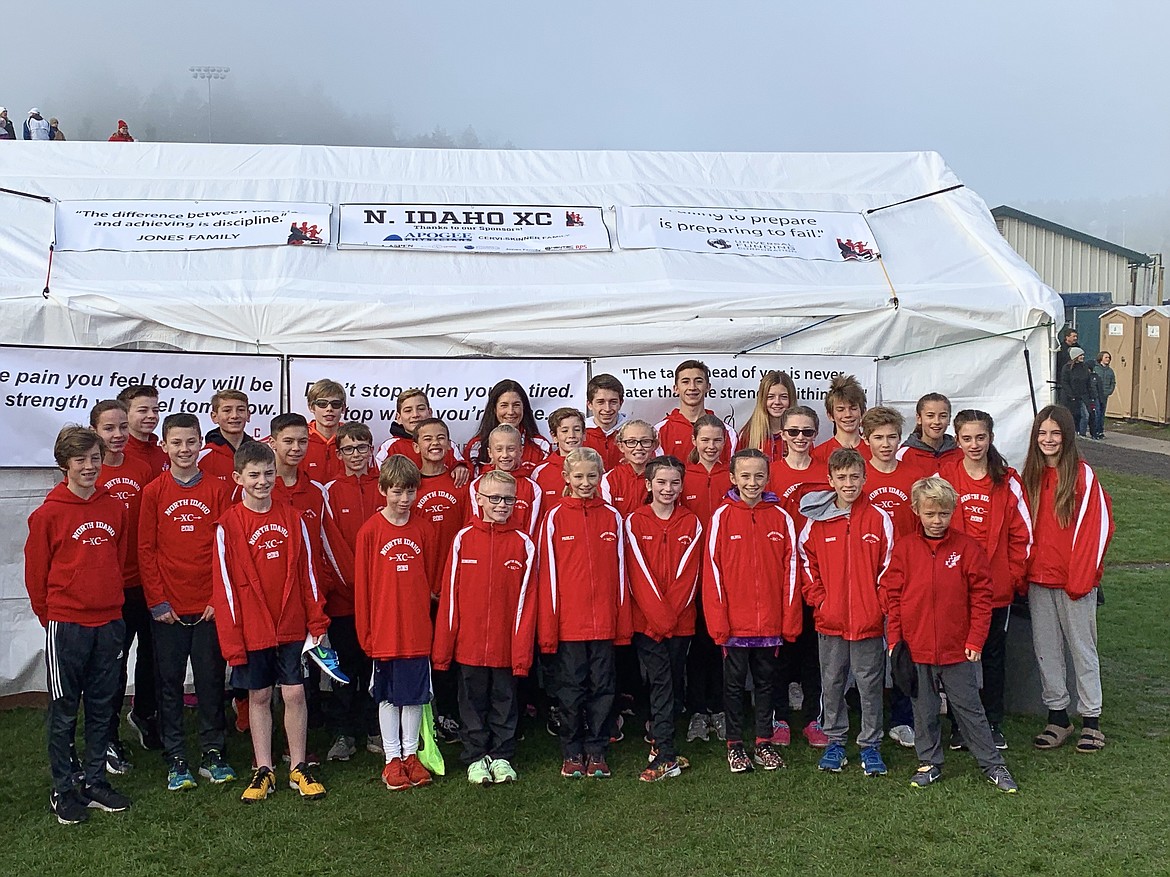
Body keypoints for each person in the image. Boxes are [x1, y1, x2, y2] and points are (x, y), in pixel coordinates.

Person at [881, 477, 1019, 793]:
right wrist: (895, 641)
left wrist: (975, 640)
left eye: (943, 513)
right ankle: (929, 762)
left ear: (952, 511)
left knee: (970, 708)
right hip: (916, 650)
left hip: (958, 650)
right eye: (930, 513)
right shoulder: (905, 549)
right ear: (916, 510)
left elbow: (982, 597)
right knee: (924, 709)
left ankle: (993, 764)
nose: (936, 520)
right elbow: (894, 597)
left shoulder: (967, 548)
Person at [211, 441, 329, 803]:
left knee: (295, 692)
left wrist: (317, 623)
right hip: (252, 629)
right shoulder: (228, 524)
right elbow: (225, 588)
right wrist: (232, 643)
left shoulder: (292, 517)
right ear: (238, 478)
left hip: (291, 624)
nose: (262, 481)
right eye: (254, 475)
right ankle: (263, 768)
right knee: (259, 695)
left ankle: (298, 766)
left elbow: (308, 572)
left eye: (267, 474)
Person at [25, 426, 132, 825]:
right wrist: (54, 616)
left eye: (95, 458)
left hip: (109, 620)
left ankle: (95, 782)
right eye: (81, 460)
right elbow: (36, 575)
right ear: (64, 464)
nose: (89, 466)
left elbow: (118, 558)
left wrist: (109, 601)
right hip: (67, 624)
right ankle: (63, 788)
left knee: (104, 706)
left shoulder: (114, 507)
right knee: (65, 708)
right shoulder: (48, 514)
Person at [138, 413, 236, 791]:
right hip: (169, 609)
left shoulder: (218, 489)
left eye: (191, 442)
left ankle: (214, 751)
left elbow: (225, 549)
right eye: (176, 443)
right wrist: (157, 601)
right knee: (169, 681)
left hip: (208, 605)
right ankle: (176, 756)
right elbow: (146, 549)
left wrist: (217, 597)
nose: (184, 449)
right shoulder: (153, 492)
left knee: (211, 680)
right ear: (165, 446)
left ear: (201, 444)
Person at [432, 469, 538, 785]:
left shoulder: (524, 544)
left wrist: (520, 651)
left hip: (507, 645)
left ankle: (503, 756)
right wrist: (443, 650)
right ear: (479, 500)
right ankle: (476, 757)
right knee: (472, 702)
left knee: (505, 701)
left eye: (508, 499)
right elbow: (450, 596)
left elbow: (527, 602)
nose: (501, 504)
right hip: (469, 644)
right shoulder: (463, 539)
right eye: (494, 498)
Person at [1021, 405, 1114, 753]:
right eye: (1042, 433)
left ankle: (1092, 719)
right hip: (1038, 580)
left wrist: (1082, 578)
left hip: (1075, 582)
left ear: (1067, 436)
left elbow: (1098, 528)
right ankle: (1057, 715)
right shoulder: (1028, 475)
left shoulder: (1082, 475)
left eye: (1055, 433)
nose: (1048, 439)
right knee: (1046, 650)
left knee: (1082, 649)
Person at [938, 410, 1031, 751]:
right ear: (956, 439)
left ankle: (992, 724)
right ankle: (959, 725)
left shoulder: (1008, 480)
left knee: (992, 656)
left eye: (980, 437)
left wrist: (1013, 575)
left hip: (996, 589)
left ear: (990, 437)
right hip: (954, 586)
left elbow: (1023, 535)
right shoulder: (946, 474)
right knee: (955, 659)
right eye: (967, 438)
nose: (974, 445)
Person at [704, 448, 800, 773]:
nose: (752, 482)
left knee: (766, 684)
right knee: (732, 686)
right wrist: (719, 622)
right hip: (733, 625)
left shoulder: (781, 517)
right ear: (732, 478)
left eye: (759, 475)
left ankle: (763, 742)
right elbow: (713, 571)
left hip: (770, 623)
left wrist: (788, 619)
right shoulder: (721, 516)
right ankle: (734, 744)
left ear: (767, 478)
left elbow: (790, 571)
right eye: (745, 475)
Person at [798, 448, 893, 776]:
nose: (848, 483)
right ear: (830, 480)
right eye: (841, 477)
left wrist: (879, 605)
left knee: (869, 683)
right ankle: (835, 740)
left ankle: (870, 744)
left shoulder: (879, 519)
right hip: (831, 619)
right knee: (833, 680)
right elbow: (805, 562)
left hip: (868, 621)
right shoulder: (816, 520)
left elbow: (889, 567)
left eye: (854, 477)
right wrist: (820, 600)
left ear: (865, 479)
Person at [537, 448, 630, 779]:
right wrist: (549, 630)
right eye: (579, 476)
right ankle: (572, 751)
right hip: (569, 626)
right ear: (566, 478)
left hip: (604, 624)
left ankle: (597, 749)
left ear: (601, 476)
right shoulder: (554, 517)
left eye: (592, 476)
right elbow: (547, 576)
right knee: (571, 690)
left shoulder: (613, 517)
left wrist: (621, 625)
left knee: (604, 689)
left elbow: (621, 573)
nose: (586, 482)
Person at [354, 455, 440, 791]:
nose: (404, 499)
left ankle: (411, 755)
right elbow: (363, 589)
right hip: (384, 631)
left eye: (410, 492)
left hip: (417, 631)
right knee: (389, 696)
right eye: (397, 492)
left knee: (416, 695)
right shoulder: (370, 533)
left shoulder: (424, 529)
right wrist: (367, 634)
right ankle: (392, 758)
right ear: (383, 490)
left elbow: (430, 580)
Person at [90, 400, 160, 766]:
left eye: (121, 427)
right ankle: (106, 737)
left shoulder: (142, 467)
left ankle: (145, 715)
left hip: (143, 581)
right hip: (109, 587)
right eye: (109, 429)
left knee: (151, 656)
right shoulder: (89, 473)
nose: (117, 435)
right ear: (95, 431)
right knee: (111, 665)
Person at [625, 456, 703, 781]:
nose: (668, 489)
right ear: (648, 485)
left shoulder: (692, 522)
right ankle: (665, 755)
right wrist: (657, 620)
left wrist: (669, 620)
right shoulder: (634, 521)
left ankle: (662, 744)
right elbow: (637, 575)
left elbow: (689, 576)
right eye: (661, 482)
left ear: (682, 486)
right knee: (660, 682)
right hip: (646, 624)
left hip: (680, 623)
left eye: (674, 483)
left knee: (673, 680)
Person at [766, 406, 830, 748]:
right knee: (779, 652)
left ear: (816, 434)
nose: (801, 438)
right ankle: (777, 718)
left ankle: (813, 719)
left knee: (813, 652)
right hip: (780, 575)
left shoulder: (828, 471)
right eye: (793, 432)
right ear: (782, 435)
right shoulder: (770, 473)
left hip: (819, 573)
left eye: (807, 432)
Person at [319, 421, 383, 762]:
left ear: (371, 449)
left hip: (380, 600)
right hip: (345, 601)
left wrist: (379, 588)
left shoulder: (385, 487)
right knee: (343, 668)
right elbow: (331, 545)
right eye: (348, 449)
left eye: (362, 448)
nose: (355, 455)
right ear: (338, 452)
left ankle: (374, 727)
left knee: (374, 665)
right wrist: (357, 587)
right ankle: (342, 733)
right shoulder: (328, 491)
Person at [680, 414, 730, 744]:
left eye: (717, 441)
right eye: (705, 440)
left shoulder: (734, 477)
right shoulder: (682, 477)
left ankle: (721, 708)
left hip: (727, 577)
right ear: (694, 442)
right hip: (693, 578)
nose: (711, 446)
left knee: (723, 645)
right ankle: (698, 709)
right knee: (697, 646)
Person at [373, 387, 469, 486]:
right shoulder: (390, 447)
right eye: (408, 410)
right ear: (398, 418)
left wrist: (460, 467)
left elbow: (462, 468)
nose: (415, 414)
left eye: (421, 409)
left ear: (430, 412)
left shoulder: (447, 445)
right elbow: (381, 482)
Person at [656, 359, 737, 464]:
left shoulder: (727, 432)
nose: (692, 387)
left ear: (708, 387)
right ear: (676, 388)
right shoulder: (660, 431)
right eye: (685, 382)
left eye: (698, 381)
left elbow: (734, 473)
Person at [863, 406, 927, 538]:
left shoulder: (916, 476)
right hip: (871, 550)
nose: (886, 444)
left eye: (891, 437)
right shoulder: (857, 477)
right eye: (878, 438)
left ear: (899, 438)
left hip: (907, 551)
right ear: (866, 439)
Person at [467, 424, 542, 535]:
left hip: (518, 549)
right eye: (499, 449)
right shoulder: (477, 485)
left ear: (521, 451)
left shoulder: (532, 488)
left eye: (511, 449)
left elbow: (533, 530)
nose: (505, 455)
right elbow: (476, 524)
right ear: (490, 453)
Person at [465, 380, 551, 476]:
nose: (510, 411)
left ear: (524, 408)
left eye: (516, 405)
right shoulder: (476, 446)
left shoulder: (541, 446)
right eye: (504, 405)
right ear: (494, 409)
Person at [531, 407, 587, 514]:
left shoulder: (595, 467)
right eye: (565, 431)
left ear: (584, 434)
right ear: (554, 436)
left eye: (577, 430)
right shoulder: (540, 472)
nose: (571, 435)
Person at [600, 419, 657, 518]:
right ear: (621, 446)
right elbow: (607, 517)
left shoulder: (663, 478)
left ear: (654, 445)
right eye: (631, 442)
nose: (639, 447)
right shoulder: (609, 479)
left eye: (645, 441)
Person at [737, 370, 798, 462]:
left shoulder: (801, 434)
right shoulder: (748, 434)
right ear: (762, 400)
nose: (777, 402)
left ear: (791, 399)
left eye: (784, 397)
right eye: (770, 397)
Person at [811, 374, 872, 464]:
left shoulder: (874, 451)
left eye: (853, 408)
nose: (848, 414)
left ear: (863, 412)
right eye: (840, 409)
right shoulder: (818, 454)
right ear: (830, 415)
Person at [198, 389, 255, 482]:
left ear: (248, 415)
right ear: (214, 417)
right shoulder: (201, 458)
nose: (234, 416)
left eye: (240, 410)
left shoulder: (260, 453)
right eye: (227, 410)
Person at [897, 393, 962, 469]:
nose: (937, 421)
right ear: (919, 419)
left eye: (943, 416)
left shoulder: (961, 454)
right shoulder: (903, 455)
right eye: (930, 416)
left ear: (949, 419)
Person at [117, 385, 168, 478]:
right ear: (124, 413)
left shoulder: (165, 454)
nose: (152, 415)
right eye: (143, 411)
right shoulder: (117, 453)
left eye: (155, 410)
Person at [302, 379, 347, 483]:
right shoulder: (300, 438)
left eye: (335, 404)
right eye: (322, 404)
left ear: (343, 408)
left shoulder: (352, 439)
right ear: (311, 407)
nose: (329, 409)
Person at [583, 373, 628, 470]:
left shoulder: (633, 433)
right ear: (589, 404)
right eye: (600, 402)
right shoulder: (579, 435)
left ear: (621, 403)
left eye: (613, 402)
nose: (607, 409)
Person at [1058, 347, 1093, 437]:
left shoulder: (1084, 367)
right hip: (1070, 397)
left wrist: (1090, 394)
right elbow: (1065, 382)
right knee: (1072, 415)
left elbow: (1088, 382)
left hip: (1083, 395)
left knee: (1085, 415)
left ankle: (1082, 433)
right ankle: (1071, 432)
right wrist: (1071, 395)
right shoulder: (1067, 368)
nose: (1082, 357)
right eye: (1080, 355)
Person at [1092, 351, 1116, 441]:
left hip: (1105, 395)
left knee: (1102, 413)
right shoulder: (1096, 369)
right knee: (1097, 412)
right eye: (1106, 357)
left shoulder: (1110, 371)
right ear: (1101, 358)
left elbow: (1113, 382)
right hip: (1096, 395)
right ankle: (1095, 431)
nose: (1108, 359)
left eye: (1109, 358)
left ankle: (1101, 431)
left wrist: (1109, 391)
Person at [1055, 327, 1079, 391]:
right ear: (1067, 337)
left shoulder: (1078, 348)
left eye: (1076, 336)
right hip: (1063, 377)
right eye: (1073, 336)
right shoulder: (1061, 348)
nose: (1075, 338)